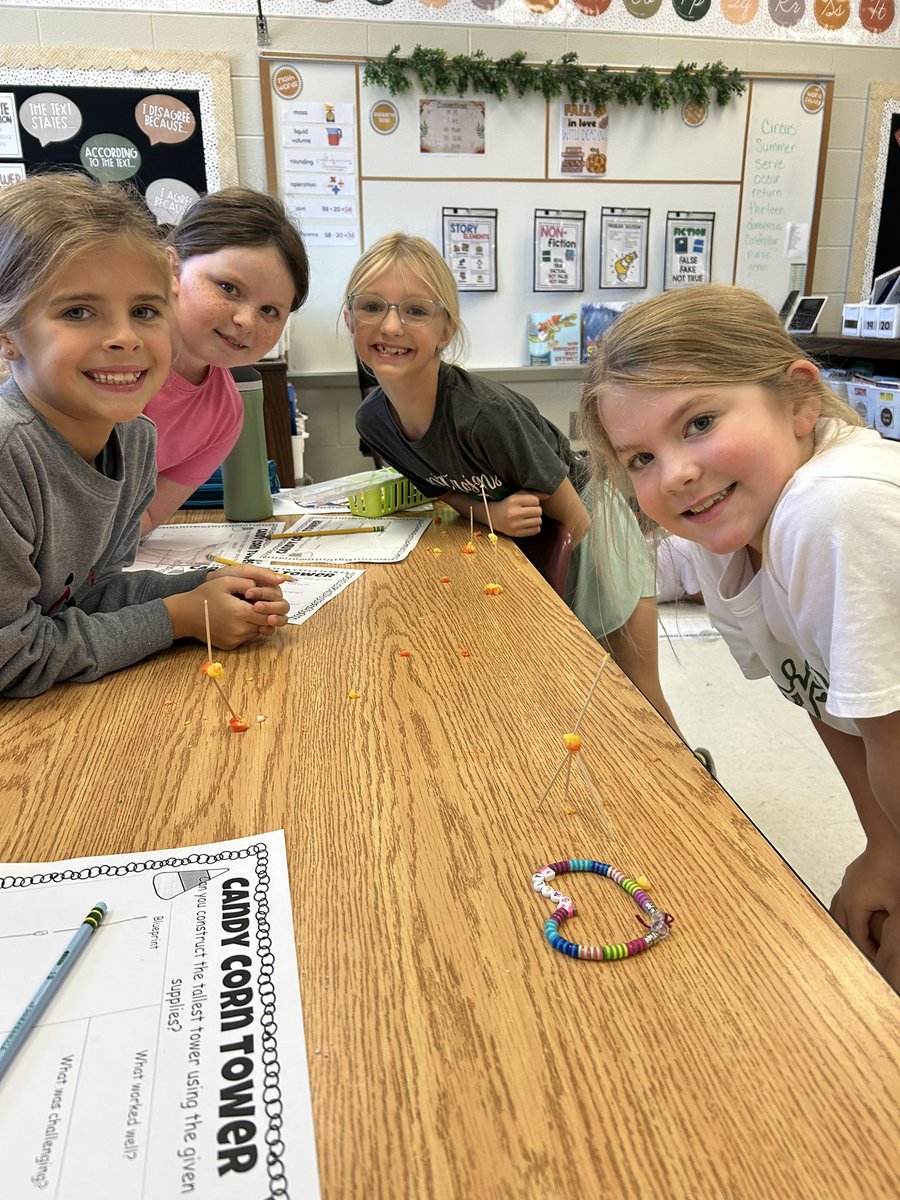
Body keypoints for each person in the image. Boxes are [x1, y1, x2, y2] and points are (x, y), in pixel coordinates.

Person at [580, 283, 900, 987]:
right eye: (640, 459)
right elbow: (825, 702)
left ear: (797, 401)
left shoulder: (833, 509)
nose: (678, 474)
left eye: (698, 423)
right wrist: (883, 845)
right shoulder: (723, 536)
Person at [343, 232, 676, 727]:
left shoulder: (485, 415)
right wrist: (491, 513)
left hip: (595, 533)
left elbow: (574, 519)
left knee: (629, 690)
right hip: (526, 535)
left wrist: (552, 613)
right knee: (563, 696)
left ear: (446, 331)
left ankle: (686, 783)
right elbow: (444, 490)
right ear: (350, 319)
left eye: (415, 311)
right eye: (371, 306)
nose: (390, 325)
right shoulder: (374, 422)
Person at [0, 172, 289, 699]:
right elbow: (13, 657)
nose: (124, 337)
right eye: (78, 312)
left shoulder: (134, 440)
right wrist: (177, 617)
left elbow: (84, 595)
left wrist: (200, 589)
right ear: (7, 337)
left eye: (144, 311)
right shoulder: (8, 454)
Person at [140, 186, 310, 533]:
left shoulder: (225, 416)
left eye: (269, 310)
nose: (246, 321)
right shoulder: (109, 363)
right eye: (228, 288)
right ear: (173, 269)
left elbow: (144, 520)